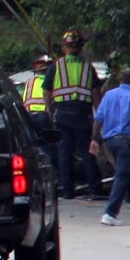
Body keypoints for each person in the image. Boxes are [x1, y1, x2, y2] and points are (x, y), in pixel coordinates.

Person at [44, 29, 103, 199]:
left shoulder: (56, 66)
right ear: (80, 48)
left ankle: (68, 191)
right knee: (86, 153)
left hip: (62, 114)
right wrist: (99, 115)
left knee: (64, 153)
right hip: (82, 115)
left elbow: (47, 91)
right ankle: (95, 189)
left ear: (64, 47)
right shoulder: (88, 68)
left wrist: (50, 111)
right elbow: (96, 94)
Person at [92, 68, 130, 225]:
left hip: (110, 141)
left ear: (121, 79)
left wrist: (94, 139)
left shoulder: (109, 95)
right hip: (125, 141)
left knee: (128, 174)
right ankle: (110, 214)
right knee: (122, 175)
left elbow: (98, 118)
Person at [21, 53, 53, 136]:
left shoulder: (29, 81)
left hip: (28, 116)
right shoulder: (51, 81)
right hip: (44, 115)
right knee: (48, 143)